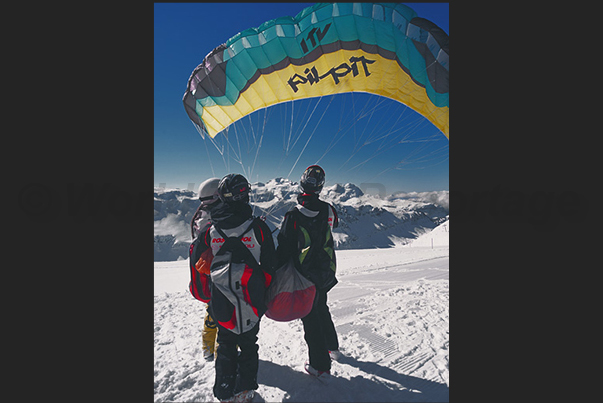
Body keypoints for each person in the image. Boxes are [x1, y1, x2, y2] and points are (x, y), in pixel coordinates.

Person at [195, 173, 276, 403]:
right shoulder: (258, 228)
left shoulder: (211, 230)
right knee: (249, 343)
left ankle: (224, 391)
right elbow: (270, 266)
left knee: (226, 343)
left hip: (221, 299)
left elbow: (200, 264)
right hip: (251, 298)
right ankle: (244, 391)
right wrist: (261, 290)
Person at [276, 165, 340, 379]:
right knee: (321, 306)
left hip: (305, 275)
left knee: (311, 318)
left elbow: (284, 248)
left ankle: (320, 366)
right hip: (325, 270)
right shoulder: (329, 209)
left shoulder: (294, 214)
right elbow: (333, 225)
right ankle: (333, 346)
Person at [190, 178, 221, 361]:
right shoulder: (215, 220)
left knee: (211, 316)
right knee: (225, 318)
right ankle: (220, 352)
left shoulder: (202, 218)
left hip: (209, 279)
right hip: (220, 276)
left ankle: (208, 348)